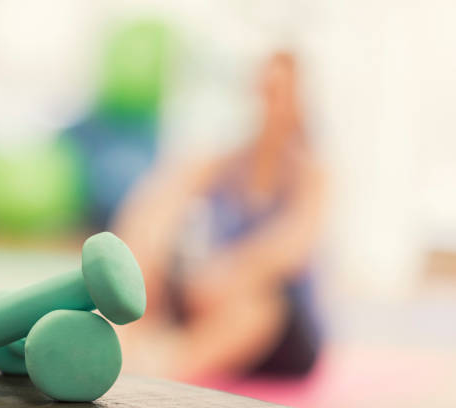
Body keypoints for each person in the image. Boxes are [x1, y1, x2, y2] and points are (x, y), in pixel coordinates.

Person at [113, 52, 325, 381]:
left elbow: (292, 248)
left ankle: (161, 369)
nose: (272, 105)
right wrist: (146, 252)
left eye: (282, 95)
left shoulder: (312, 172)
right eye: (265, 92)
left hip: (277, 324)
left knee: (254, 305)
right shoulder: (224, 161)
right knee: (144, 264)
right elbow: (157, 203)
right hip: (209, 301)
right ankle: (124, 355)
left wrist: (230, 273)